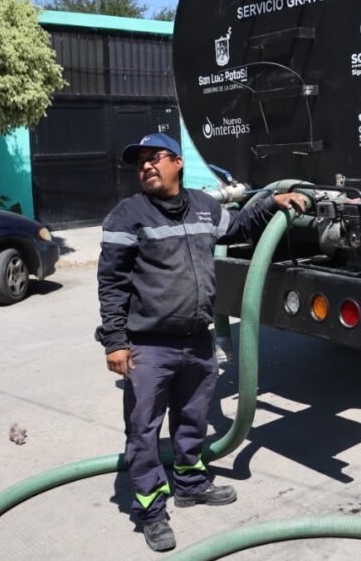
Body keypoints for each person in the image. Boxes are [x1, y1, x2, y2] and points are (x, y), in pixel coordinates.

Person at [95, 132, 306, 552]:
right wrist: (115, 342)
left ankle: (190, 483)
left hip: (197, 341)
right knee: (143, 430)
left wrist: (272, 203)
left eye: (155, 158)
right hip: (148, 345)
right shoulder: (127, 216)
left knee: (192, 420)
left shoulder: (206, 206)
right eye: (140, 163)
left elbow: (237, 226)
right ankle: (151, 511)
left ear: (177, 163)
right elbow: (112, 284)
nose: (147, 167)